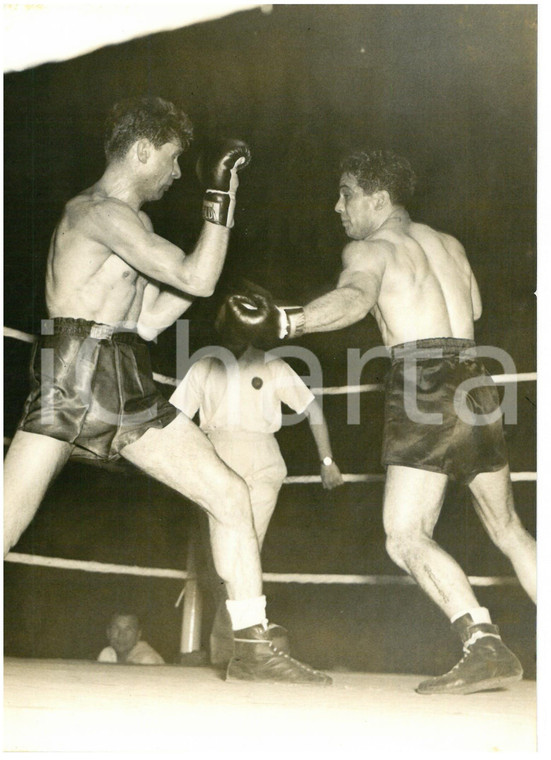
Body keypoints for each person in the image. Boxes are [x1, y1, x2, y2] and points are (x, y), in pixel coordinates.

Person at [3, 96, 331, 685]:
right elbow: (197, 273)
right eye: (174, 160)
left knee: (229, 496)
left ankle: (252, 643)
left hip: (125, 371)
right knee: (6, 517)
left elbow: (151, 320)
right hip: (75, 370)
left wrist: (222, 308)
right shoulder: (97, 213)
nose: (178, 174)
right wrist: (221, 197)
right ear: (143, 150)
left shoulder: (132, 226)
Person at [224, 149, 537, 695]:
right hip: (477, 376)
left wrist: (287, 320)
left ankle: (483, 641)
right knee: (509, 529)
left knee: (404, 534)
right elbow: (477, 308)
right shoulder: (450, 244)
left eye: (346, 194)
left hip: (426, 385)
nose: (337, 205)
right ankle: (487, 641)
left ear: (377, 198)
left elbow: (354, 297)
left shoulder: (369, 248)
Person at [169, 291, 344, 665]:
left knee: (243, 552)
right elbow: (176, 420)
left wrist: (327, 460)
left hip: (263, 460)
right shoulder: (204, 366)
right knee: (220, 563)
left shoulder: (273, 365)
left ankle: (235, 649)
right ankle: (234, 645)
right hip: (213, 459)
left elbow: (311, 409)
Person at [97, 613, 164, 665]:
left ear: (138, 635)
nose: (121, 635)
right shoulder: (107, 654)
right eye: (116, 628)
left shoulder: (147, 660)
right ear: (108, 632)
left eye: (128, 629)